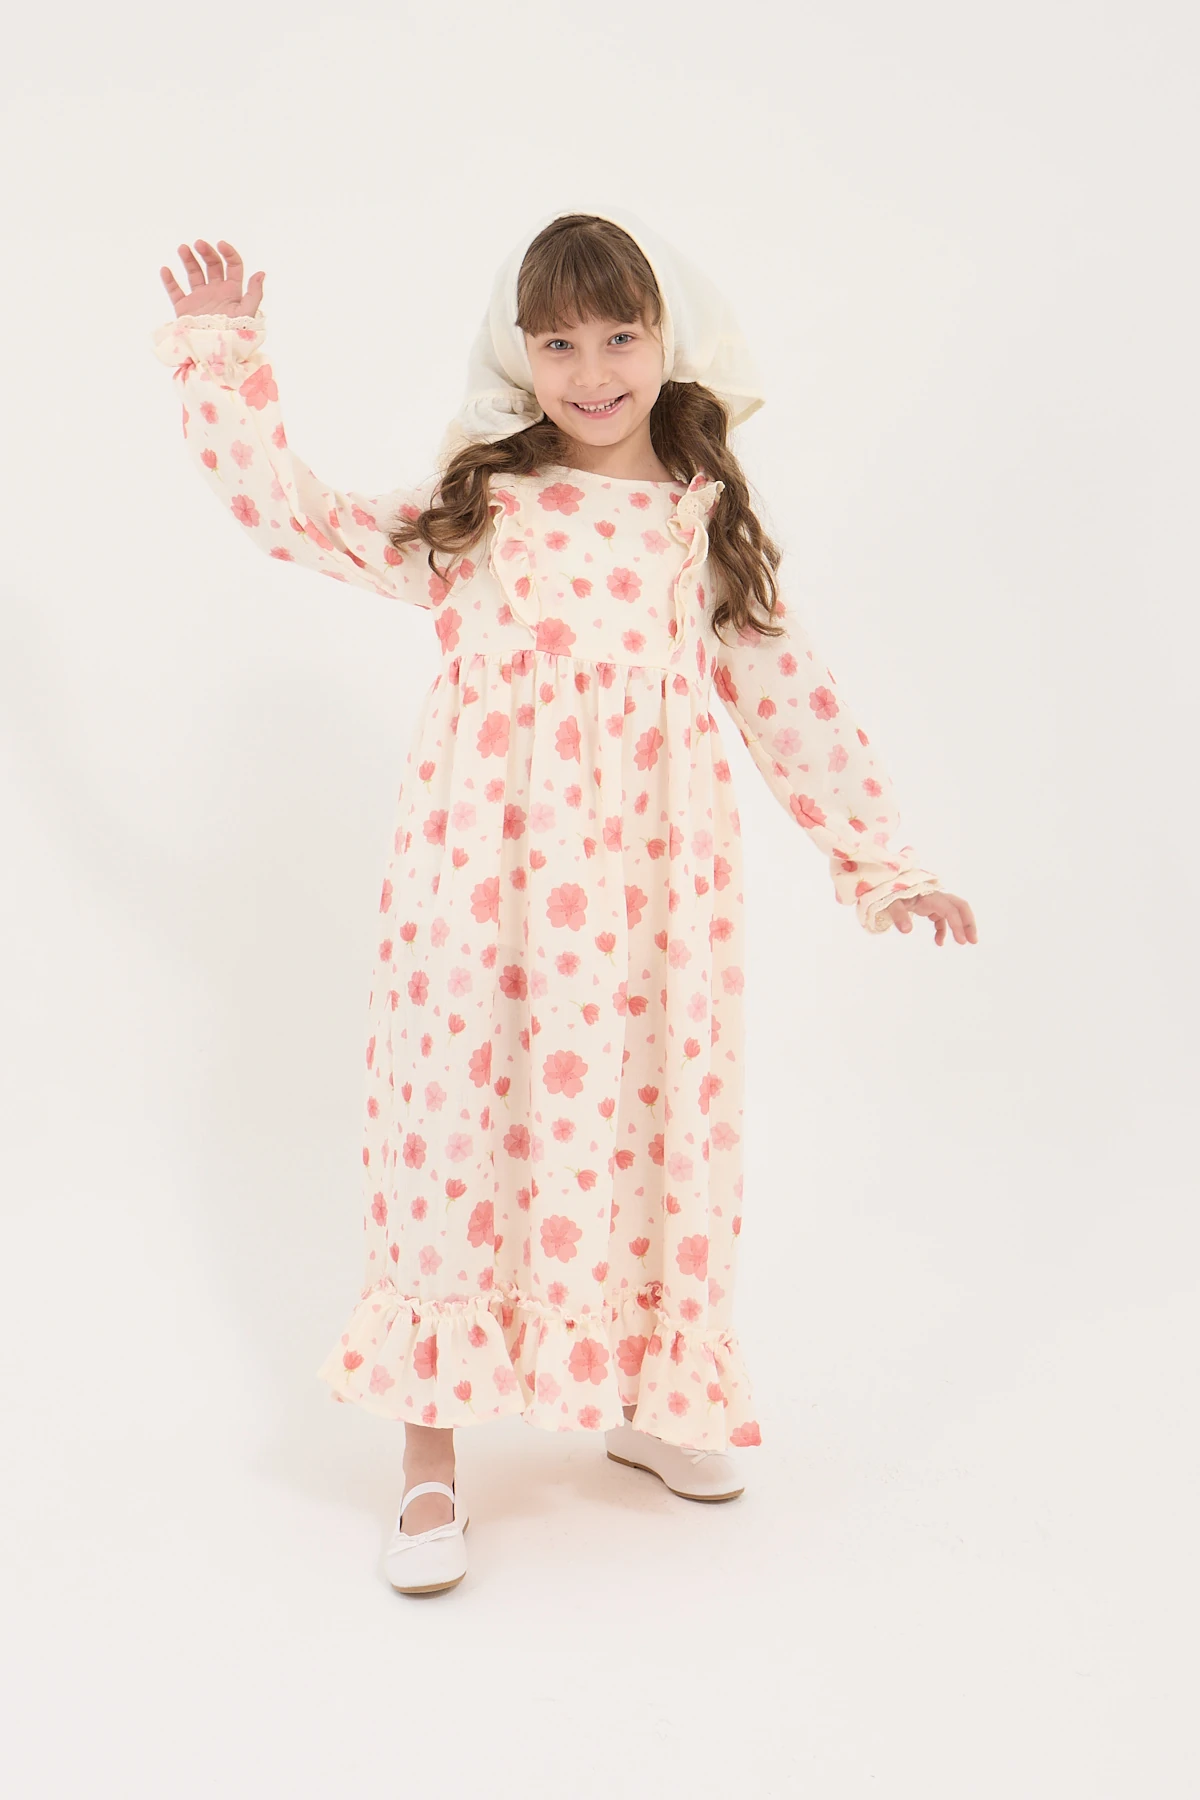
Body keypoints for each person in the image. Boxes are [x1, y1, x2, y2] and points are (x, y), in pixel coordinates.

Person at [153, 208, 977, 1596]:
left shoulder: (701, 520)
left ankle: (647, 1400)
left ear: (667, 339)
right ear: (518, 353)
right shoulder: (485, 509)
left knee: (648, 1127)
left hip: (654, 894)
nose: (593, 371)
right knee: (456, 1134)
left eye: (619, 335)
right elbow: (301, 517)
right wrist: (224, 362)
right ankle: (429, 1457)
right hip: (483, 881)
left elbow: (786, 690)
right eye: (558, 342)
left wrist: (883, 858)